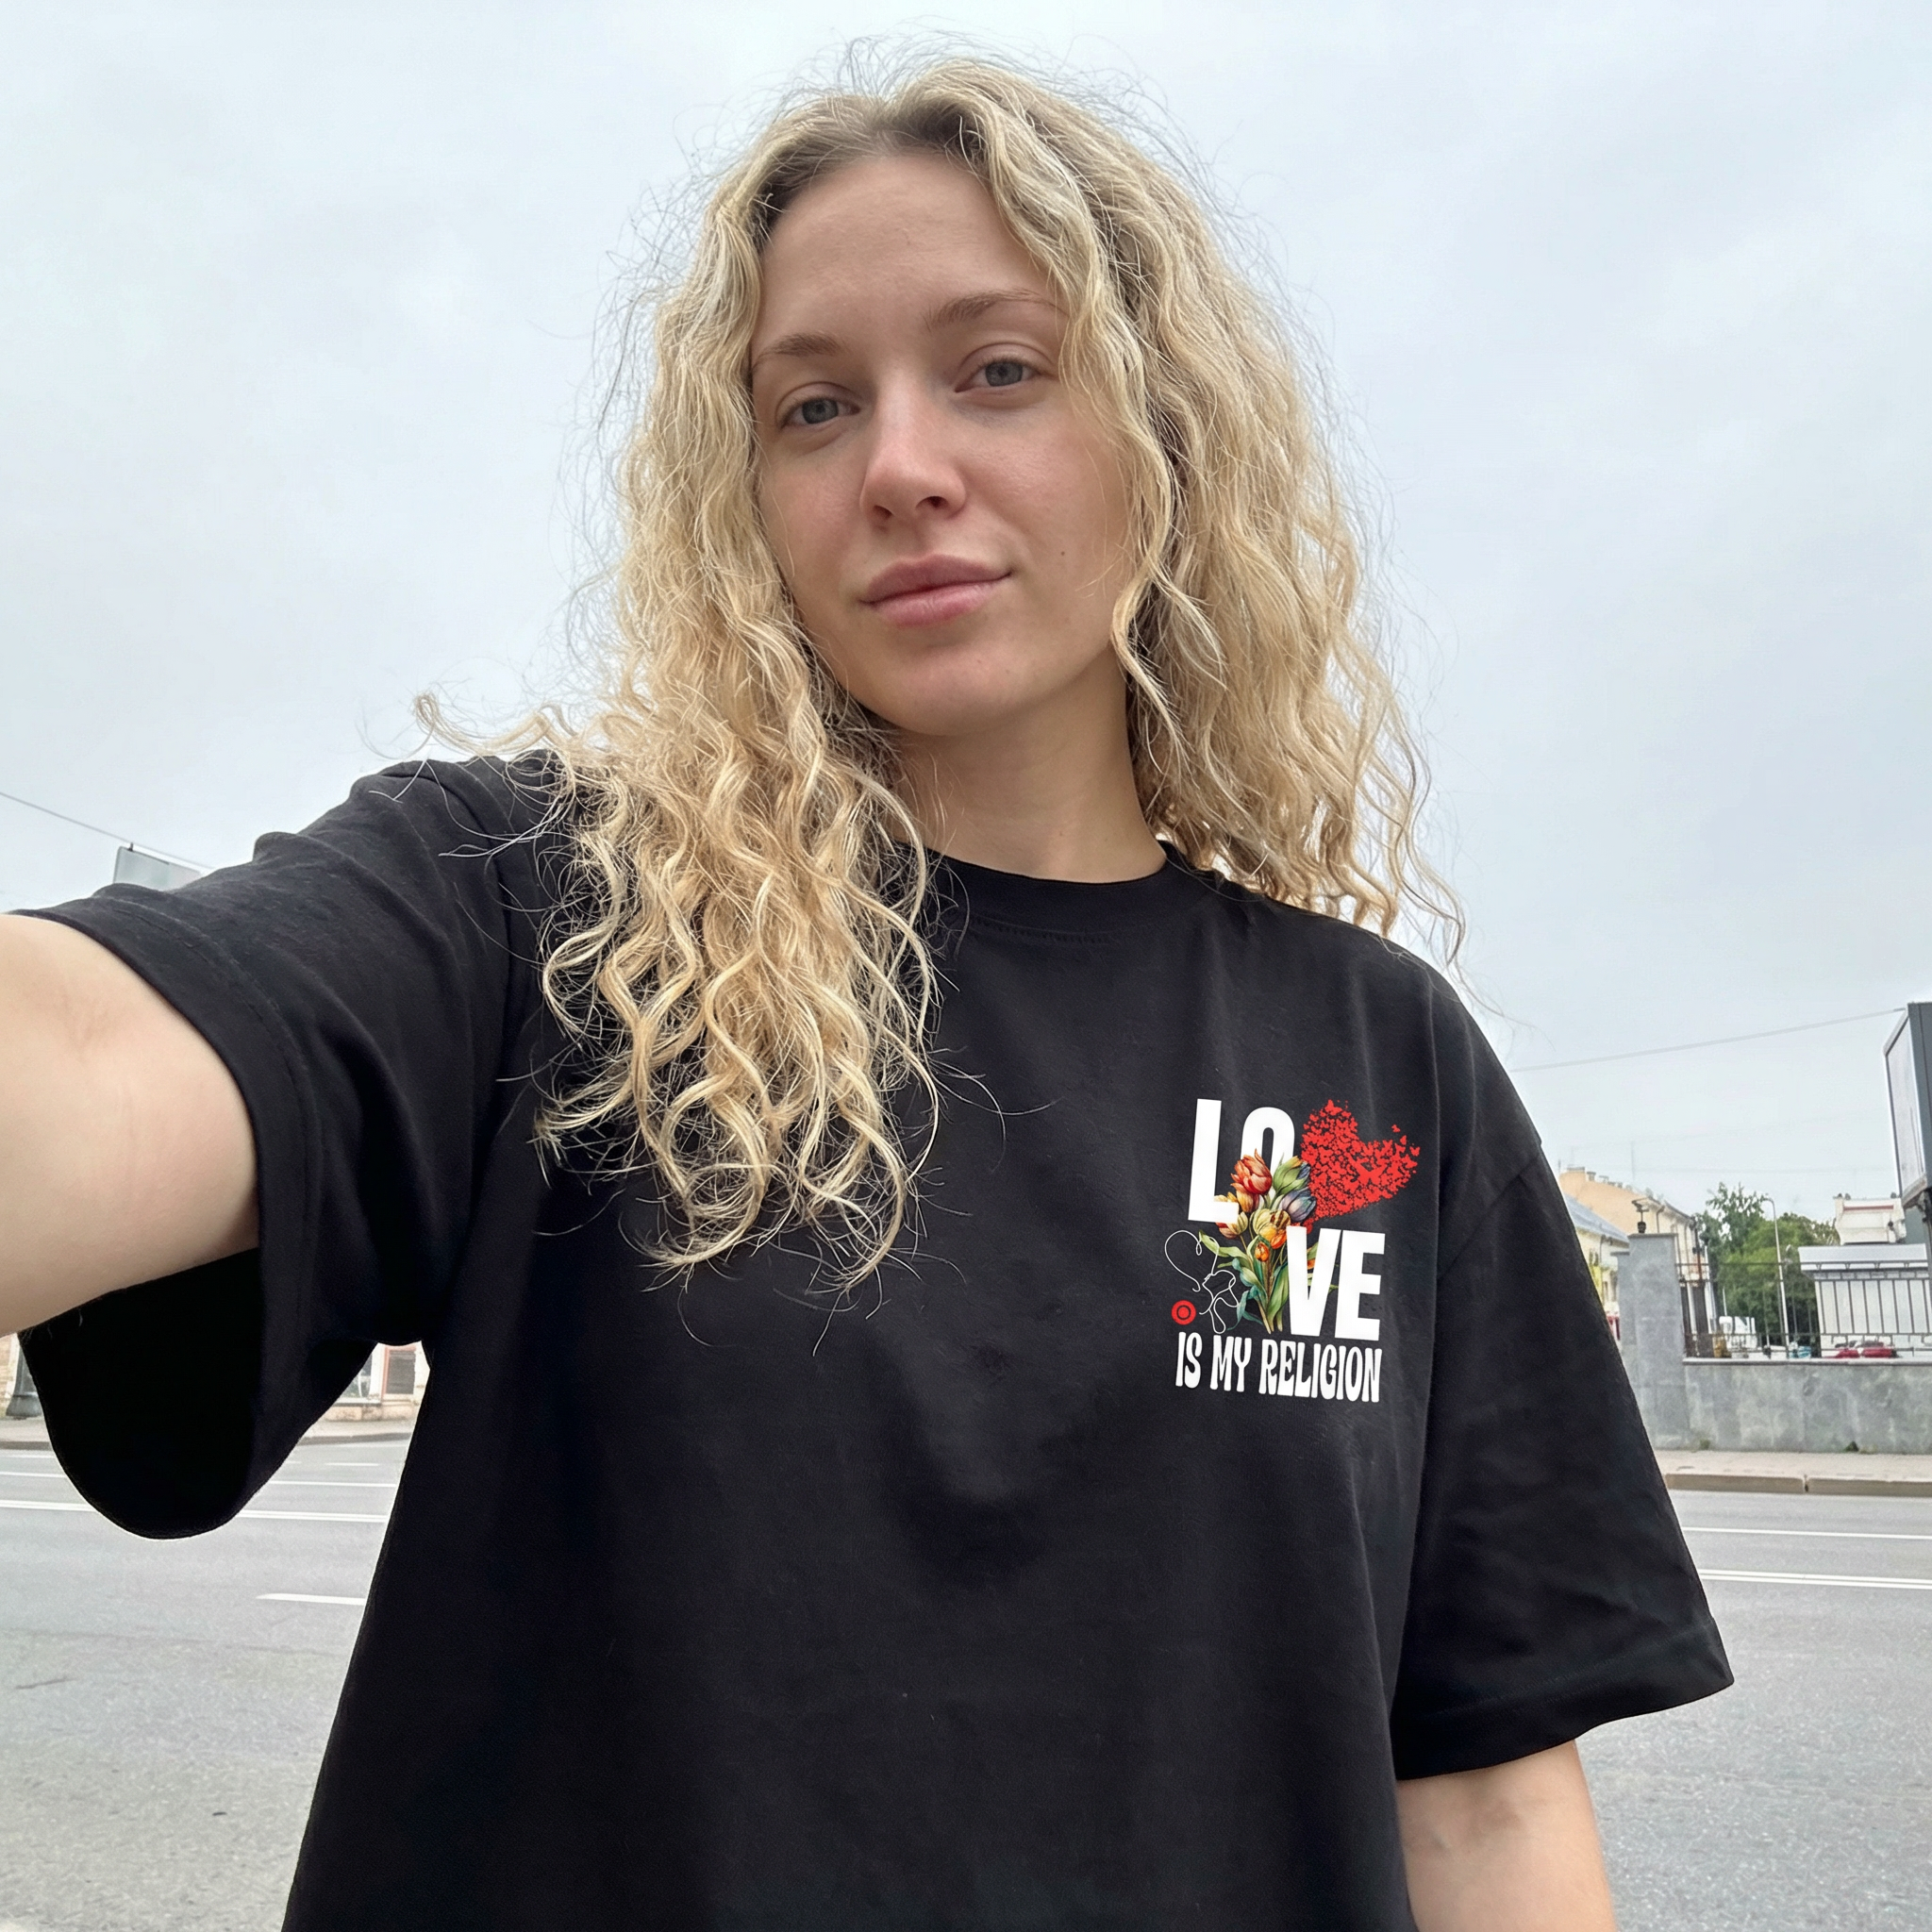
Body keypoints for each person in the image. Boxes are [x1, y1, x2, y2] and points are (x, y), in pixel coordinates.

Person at [0, 54, 1727, 1932]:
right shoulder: (544, 916)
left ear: (1163, 431)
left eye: (999, 367)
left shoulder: (1375, 1066)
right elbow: (73, 1063)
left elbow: (1481, 1802)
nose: (900, 464)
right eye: (813, 404)